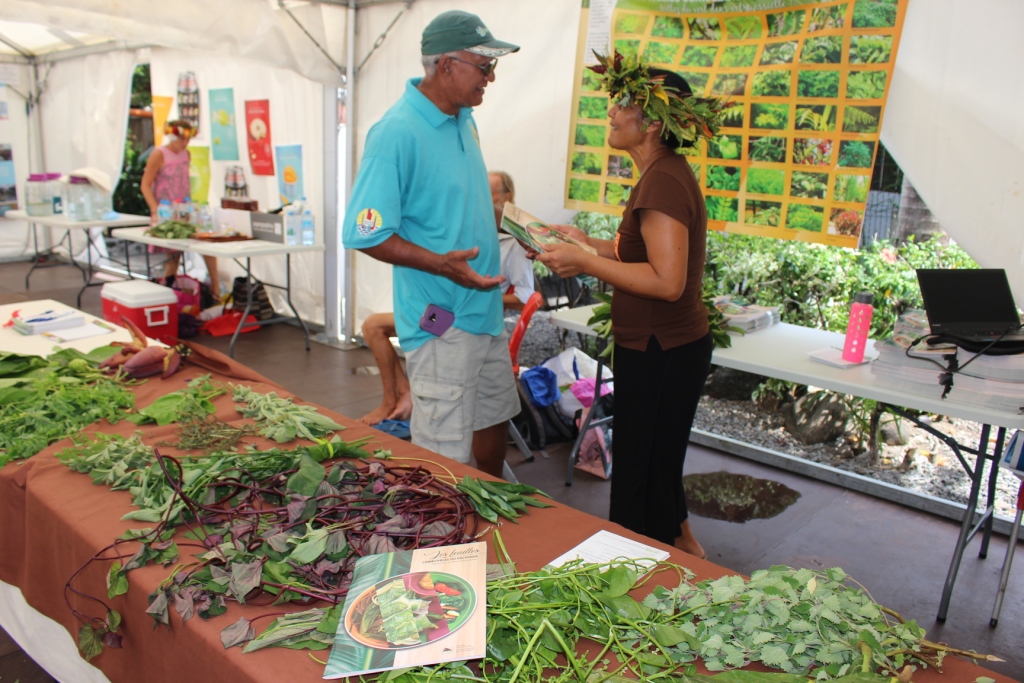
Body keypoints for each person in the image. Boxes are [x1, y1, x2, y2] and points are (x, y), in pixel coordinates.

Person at [537, 53, 725, 557]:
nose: (612, 113)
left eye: (622, 104)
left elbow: (666, 281)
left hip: (664, 348)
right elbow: (637, 254)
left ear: (652, 121)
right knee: (657, 461)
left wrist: (584, 262)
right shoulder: (662, 172)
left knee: (641, 472)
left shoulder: (663, 179)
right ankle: (677, 551)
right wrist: (589, 244)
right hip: (665, 346)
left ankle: (636, 569)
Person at [342, 10, 520, 478]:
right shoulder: (396, 133)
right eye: (484, 66)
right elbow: (363, 231)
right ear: (446, 66)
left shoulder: (464, 120)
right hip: (439, 317)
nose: (491, 77)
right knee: (442, 456)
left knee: (493, 419)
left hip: (484, 312)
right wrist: (440, 264)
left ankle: (489, 511)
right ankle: (443, 541)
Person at [356, 169, 530, 428]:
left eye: (490, 195)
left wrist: (482, 293)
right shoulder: (468, 231)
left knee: (392, 327)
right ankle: (401, 395)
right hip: (446, 312)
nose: (483, 200)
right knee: (374, 325)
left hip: (459, 320)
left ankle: (399, 399)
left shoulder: (512, 244)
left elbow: (527, 297)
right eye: (479, 194)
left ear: (508, 198)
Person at [140, 119, 220, 293]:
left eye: (188, 139)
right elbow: (145, 185)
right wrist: (155, 210)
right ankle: (170, 290)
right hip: (166, 210)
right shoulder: (158, 154)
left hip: (186, 208)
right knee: (173, 255)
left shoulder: (187, 154)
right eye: (181, 139)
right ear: (171, 136)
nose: (185, 143)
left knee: (205, 243)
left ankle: (216, 287)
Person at [489, 171, 535, 312]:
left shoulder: (516, 242)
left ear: (506, 198)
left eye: (487, 191)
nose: (479, 197)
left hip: (475, 320)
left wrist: (482, 299)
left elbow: (524, 298)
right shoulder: (470, 229)